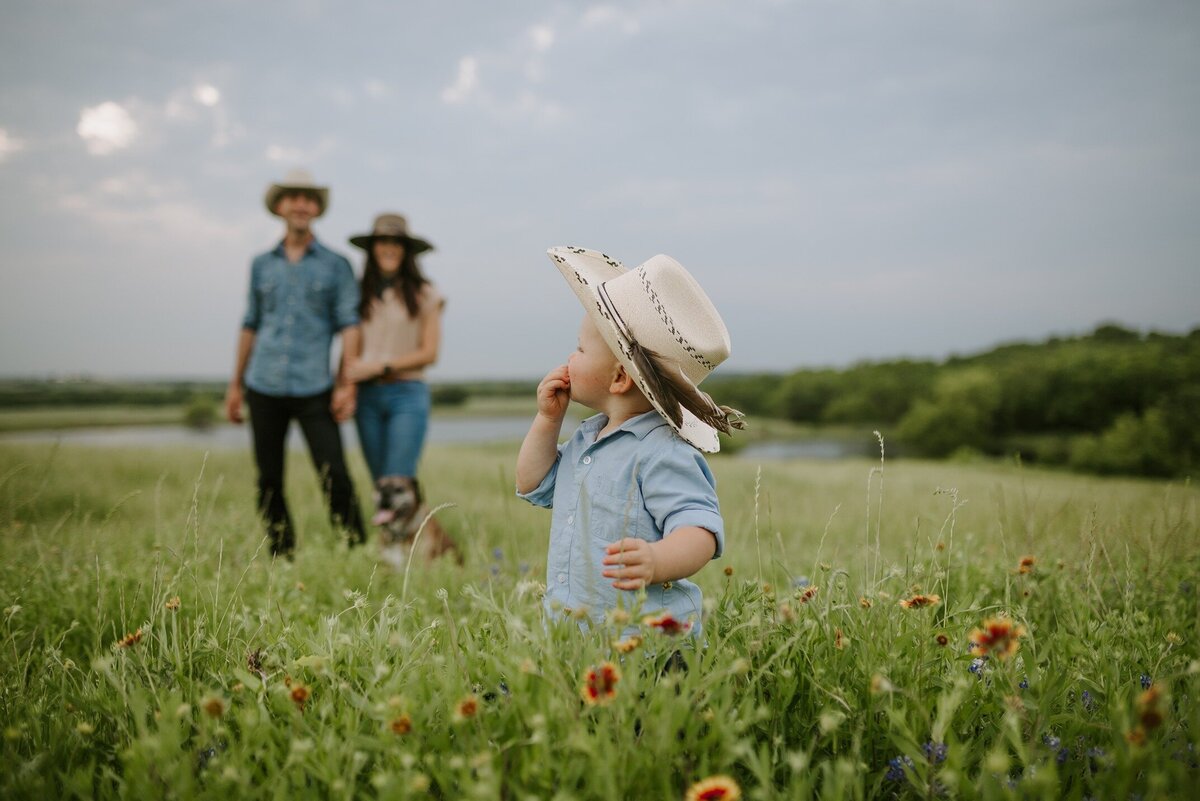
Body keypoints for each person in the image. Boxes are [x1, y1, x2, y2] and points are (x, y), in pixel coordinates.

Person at [515, 246, 744, 641]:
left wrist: (657, 560)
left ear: (619, 378)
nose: (570, 356)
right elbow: (532, 484)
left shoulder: (662, 452)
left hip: (651, 646)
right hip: (580, 642)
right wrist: (547, 420)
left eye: (581, 349)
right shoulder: (589, 437)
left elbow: (700, 532)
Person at [224, 168, 366, 557]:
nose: (301, 204)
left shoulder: (337, 265)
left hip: (314, 386)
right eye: (293, 197)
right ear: (280, 206)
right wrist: (235, 385)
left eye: (308, 198)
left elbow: (350, 326)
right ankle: (281, 553)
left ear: (316, 208)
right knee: (268, 477)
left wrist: (346, 383)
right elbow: (250, 323)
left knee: (335, 472)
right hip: (262, 384)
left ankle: (354, 549)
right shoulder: (261, 264)